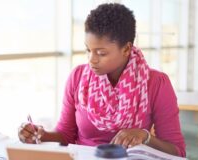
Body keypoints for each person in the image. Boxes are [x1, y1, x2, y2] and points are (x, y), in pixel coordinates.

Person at [18, 3, 186, 157]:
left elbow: (177, 152)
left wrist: (145, 136)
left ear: (126, 48)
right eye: (88, 50)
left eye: (101, 53)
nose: (92, 59)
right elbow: (66, 135)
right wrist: (40, 135)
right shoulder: (78, 78)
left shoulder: (155, 83)